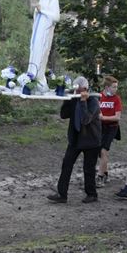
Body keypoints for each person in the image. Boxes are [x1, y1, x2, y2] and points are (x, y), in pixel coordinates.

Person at [47, 76, 101, 204]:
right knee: (67, 164)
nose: (76, 91)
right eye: (75, 89)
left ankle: (92, 194)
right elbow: (64, 115)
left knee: (88, 168)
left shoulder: (93, 101)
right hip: (75, 138)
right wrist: (67, 99)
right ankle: (62, 194)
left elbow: (86, 119)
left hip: (91, 139)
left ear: (85, 89)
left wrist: (83, 102)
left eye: (78, 89)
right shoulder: (74, 98)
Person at [27, 0, 60, 88]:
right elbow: (38, 12)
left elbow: (56, 17)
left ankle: (39, 76)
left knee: (41, 52)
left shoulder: (54, 0)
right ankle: (31, 74)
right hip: (38, 29)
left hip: (45, 31)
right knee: (35, 50)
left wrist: (43, 11)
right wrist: (37, 10)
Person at [97, 76, 122, 187]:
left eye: (116, 87)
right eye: (114, 87)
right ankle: (106, 173)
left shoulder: (116, 99)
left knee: (104, 151)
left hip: (112, 127)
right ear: (107, 87)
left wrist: (103, 118)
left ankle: (100, 177)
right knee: (100, 153)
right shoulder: (99, 97)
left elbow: (117, 117)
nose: (116, 89)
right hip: (100, 128)